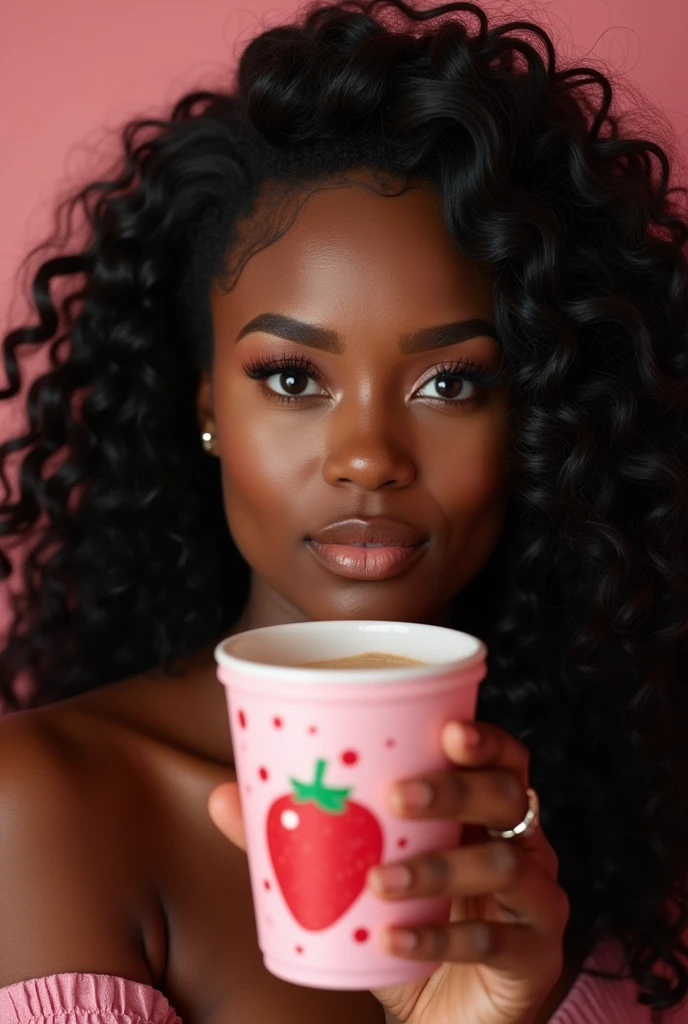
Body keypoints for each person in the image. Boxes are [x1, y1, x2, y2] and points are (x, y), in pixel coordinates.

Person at [0, 0, 687, 1021]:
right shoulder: (42, 809)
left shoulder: (617, 820)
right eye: (290, 378)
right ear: (207, 408)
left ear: (539, 418)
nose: (369, 459)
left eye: (450, 384)